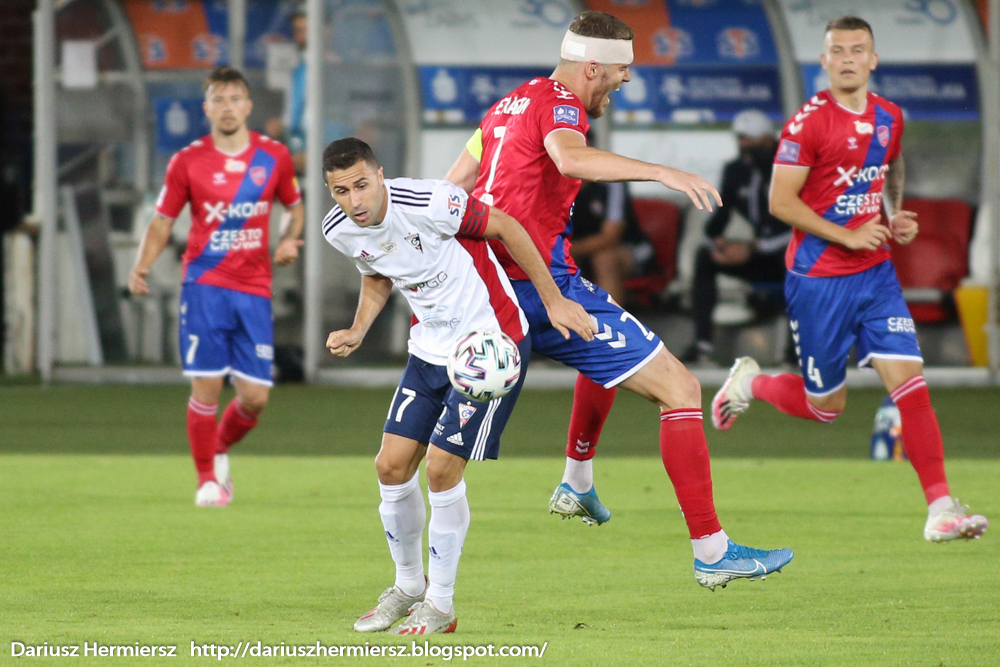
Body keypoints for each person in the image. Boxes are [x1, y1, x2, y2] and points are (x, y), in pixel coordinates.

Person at [445, 10, 793, 589]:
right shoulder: (562, 104)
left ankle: (576, 482)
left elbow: (453, 186)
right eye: (623, 68)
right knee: (680, 389)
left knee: (435, 450)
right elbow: (570, 158)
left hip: (485, 284)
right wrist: (662, 172)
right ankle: (712, 552)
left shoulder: (506, 105)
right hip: (536, 284)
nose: (627, 78)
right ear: (592, 68)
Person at [712, 16, 987, 543]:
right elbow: (780, 202)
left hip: (875, 275)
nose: (847, 59)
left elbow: (891, 163)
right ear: (823, 61)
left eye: (857, 50)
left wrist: (895, 213)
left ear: (872, 60)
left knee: (911, 387)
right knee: (826, 408)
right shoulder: (807, 124)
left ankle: (940, 509)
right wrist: (846, 235)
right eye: (837, 50)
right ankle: (750, 383)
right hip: (818, 280)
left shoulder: (889, 116)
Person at [321, 138, 594, 634]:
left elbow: (506, 225)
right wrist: (359, 329)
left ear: (380, 176)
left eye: (361, 185)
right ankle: (408, 587)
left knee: (441, 468)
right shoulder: (338, 229)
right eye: (341, 191)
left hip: (489, 347)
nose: (354, 200)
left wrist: (553, 300)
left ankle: (441, 604)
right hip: (429, 349)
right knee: (390, 466)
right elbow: (377, 270)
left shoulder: (430, 201)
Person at [129, 66, 305, 507]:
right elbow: (162, 221)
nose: (227, 107)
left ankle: (219, 447)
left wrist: (288, 239)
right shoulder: (187, 161)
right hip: (204, 284)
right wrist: (142, 265)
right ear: (206, 108)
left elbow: (294, 207)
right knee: (206, 385)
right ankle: (206, 479)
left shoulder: (274, 156)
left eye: (235, 99)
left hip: (254, 287)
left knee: (255, 398)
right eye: (219, 100)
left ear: (248, 106)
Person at [680, 109, 792, 365]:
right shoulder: (736, 170)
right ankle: (702, 346)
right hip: (758, 255)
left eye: (750, 139)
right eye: (740, 139)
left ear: (768, 139)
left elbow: (800, 226)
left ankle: (794, 352)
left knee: (794, 259)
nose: (744, 145)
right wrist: (718, 243)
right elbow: (718, 216)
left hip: (787, 250)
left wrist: (754, 248)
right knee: (705, 257)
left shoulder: (789, 169)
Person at [570, 174, 656, 305]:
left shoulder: (612, 182)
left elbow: (610, 237)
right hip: (578, 249)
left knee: (604, 259)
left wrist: (567, 249)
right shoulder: (554, 185)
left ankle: (610, 316)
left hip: (630, 247)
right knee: (560, 262)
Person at [265, 6, 308, 173]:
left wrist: (317, 154)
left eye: (305, 30)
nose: (300, 37)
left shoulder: (334, 70)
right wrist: (280, 124)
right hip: (297, 151)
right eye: (297, 31)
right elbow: (293, 115)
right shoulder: (298, 70)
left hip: (323, 157)